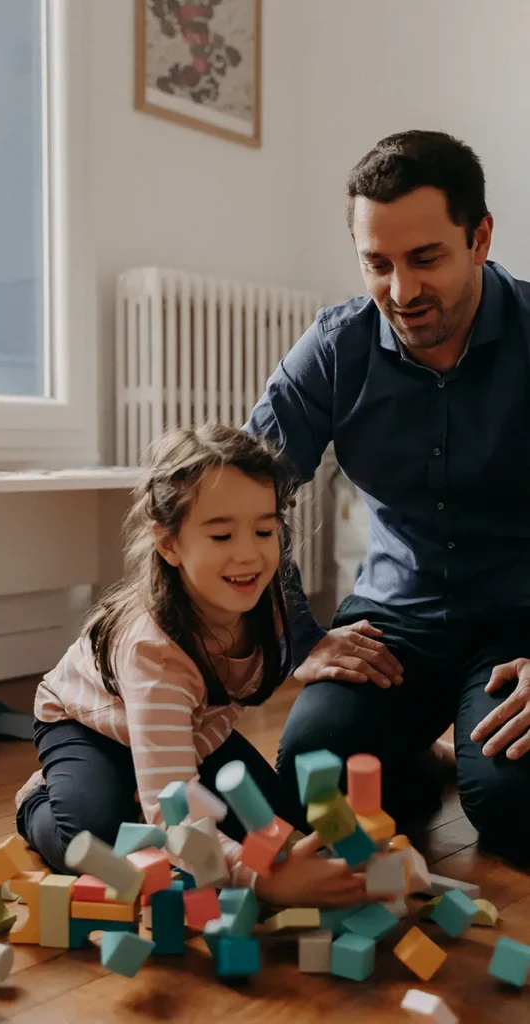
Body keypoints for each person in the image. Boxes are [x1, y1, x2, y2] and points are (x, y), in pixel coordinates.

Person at [246, 129, 530, 867]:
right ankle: (433, 758)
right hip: (393, 625)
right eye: (378, 264)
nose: (401, 292)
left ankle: (466, 758)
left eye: (425, 258)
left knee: (513, 804)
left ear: (479, 237)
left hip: (518, 627)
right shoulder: (336, 346)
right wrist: (299, 638)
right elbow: (244, 489)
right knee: (319, 784)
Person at [15, 424, 374, 907]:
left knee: (280, 822)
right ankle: (35, 800)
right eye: (222, 534)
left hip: (191, 730)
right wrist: (262, 881)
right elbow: (176, 814)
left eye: (265, 531)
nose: (249, 553)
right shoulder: (153, 652)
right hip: (89, 724)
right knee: (101, 847)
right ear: (170, 545)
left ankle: (142, 783)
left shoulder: (269, 605)